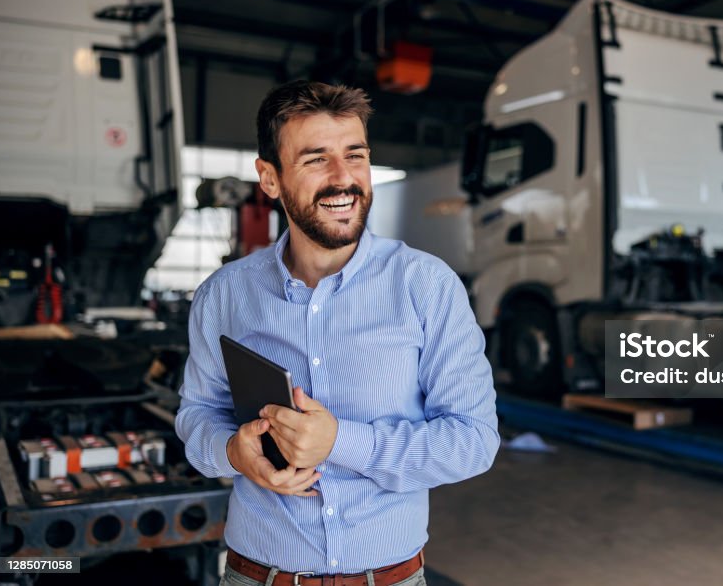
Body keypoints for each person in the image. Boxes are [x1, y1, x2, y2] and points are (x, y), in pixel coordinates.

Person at [176, 80, 499, 586]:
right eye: (315, 159)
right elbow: (196, 416)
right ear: (269, 178)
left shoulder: (426, 286)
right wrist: (232, 451)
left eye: (355, 155)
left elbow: (474, 441)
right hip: (257, 575)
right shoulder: (225, 295)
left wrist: (340, 442)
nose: (344, 179)